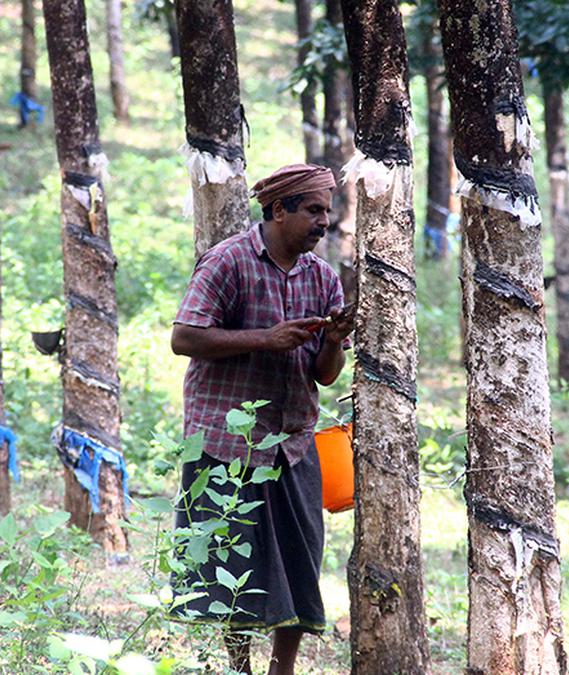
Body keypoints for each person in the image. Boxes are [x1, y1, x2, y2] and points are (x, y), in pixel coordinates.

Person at [168, 163, 354, 675]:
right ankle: (236, 664)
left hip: (293, 444)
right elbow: (184, 337)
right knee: (234, 559)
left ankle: (282, 669)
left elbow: (325, 375)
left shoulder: (322, 277)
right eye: (314, 210)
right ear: (278, 210)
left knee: (299, 560)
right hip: (227, 444)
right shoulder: (227, 262)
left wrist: (333, 341)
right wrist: (265, 338)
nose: (324, 221)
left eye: (327, 211)